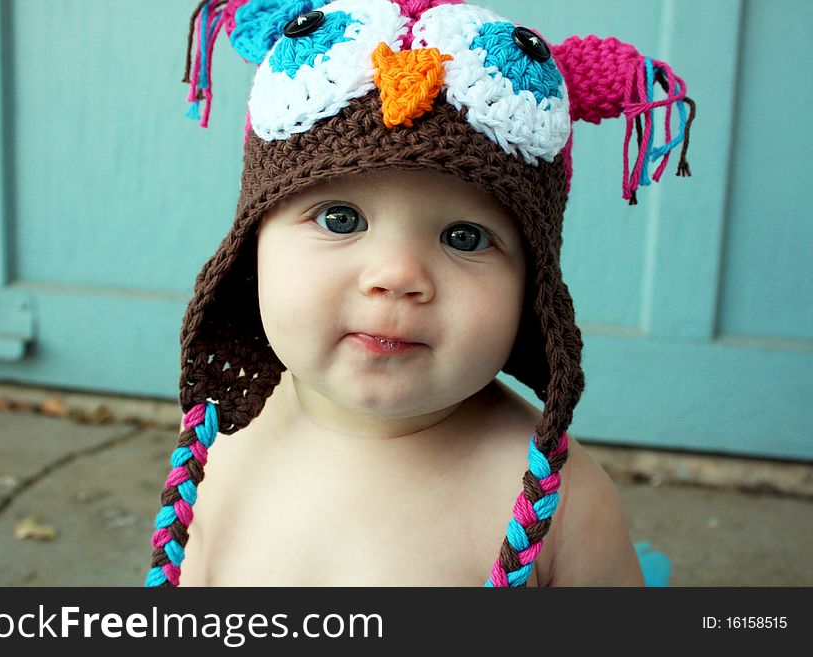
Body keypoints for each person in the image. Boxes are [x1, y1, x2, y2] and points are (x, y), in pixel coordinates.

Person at [147, 0, 694, 587]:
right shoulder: (220, 438)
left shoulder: (555, 499)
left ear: (533, 290)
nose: (397, 274)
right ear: (250, 252)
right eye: (339, 219)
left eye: (464, 237)